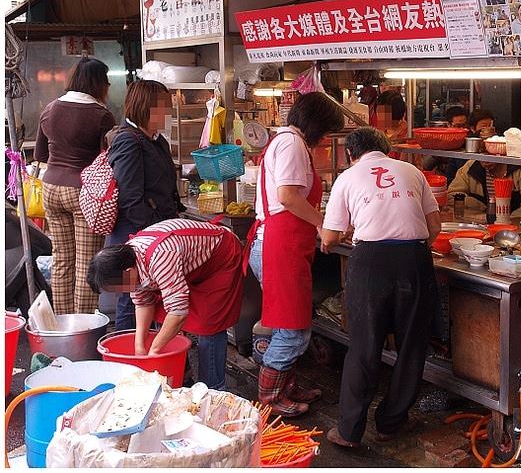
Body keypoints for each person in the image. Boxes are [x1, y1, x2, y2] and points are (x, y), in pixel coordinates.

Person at [320, 127, 441, 448]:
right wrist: (408, 249)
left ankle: (349, 432)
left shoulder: (347, 177)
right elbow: (435, 228)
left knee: (364, 346)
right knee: (411, 346)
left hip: (370, 263)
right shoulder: (412, 171)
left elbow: (330, 237)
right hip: (414, 260)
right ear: (386, 150)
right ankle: (391, 422)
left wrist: (347, 233)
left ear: (350, 154)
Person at [250, 92, 344, 417]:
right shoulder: (291, 144)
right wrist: (323, 224)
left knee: (288, 324)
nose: (327, 139)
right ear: (317, 124)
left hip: (282, 245)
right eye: (328, 132)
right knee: (293, 329)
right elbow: (288, 197)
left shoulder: (289, 142)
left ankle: (287, 386)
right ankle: (270, 396)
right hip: (279, 246)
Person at [87, 219, 244, 391]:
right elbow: (143, 303)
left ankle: (212, 390)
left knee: (208, 325)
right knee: (161, 318)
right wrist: (139, 346)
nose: (119, 292)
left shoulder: (160, 257)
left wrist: (154, 350)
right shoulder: (128, 262)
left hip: (218, 259)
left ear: (128, 272)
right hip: (187, 264)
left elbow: (178, 312)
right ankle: (182, 379)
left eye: (116, 287)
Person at [34, 57, 116, 315]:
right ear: (98, 83)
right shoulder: (101, 115)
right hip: (84, 192)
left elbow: (41, 154)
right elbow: (108, 160)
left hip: (51, 188)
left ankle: (61, 323)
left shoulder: (50, 109)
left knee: (62, 260)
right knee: (86, 262)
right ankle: (82, 325)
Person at [106, 80, 183, 331]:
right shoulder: (128, 140)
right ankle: (125, 360)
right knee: (132, 300)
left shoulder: (156, 140)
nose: (169, 113)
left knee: (150, 299)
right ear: (147, 107)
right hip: (134, 237)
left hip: (156, 234)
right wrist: (152, 234)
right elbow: (130, 198)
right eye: (165, 107)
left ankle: (150, 358)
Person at [448, 159, 521, 220]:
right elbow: (452, 196)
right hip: (479, 227)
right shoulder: (470, 167)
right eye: (481, 154)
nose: (486, 160)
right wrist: (482, 209)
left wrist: (502, 220)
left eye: (491, 155)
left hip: (514, 231)